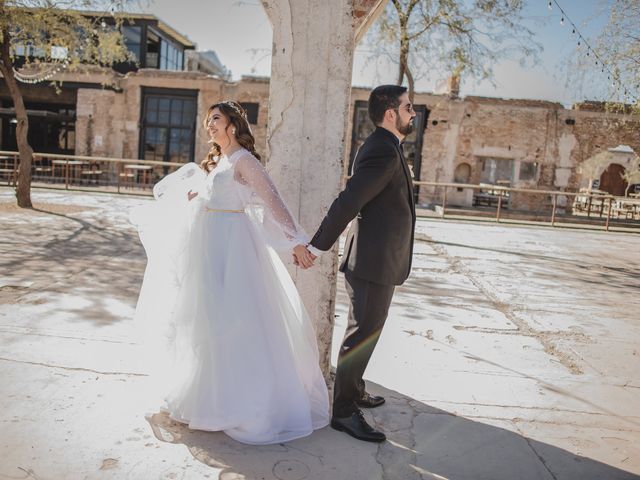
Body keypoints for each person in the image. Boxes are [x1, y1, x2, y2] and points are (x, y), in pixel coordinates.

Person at [131, 101, 329, 445]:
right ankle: (210, 400)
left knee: (236, 321)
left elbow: (273, 201)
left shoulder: (244, 160)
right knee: (207, 321)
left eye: (216, 119)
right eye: (208, 120)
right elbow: (217, 195)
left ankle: (243, 403)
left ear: (233, 125)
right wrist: (198, 195)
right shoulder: (220, 160)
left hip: (233, 247)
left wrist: (296, 241)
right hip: (209, 247)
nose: (210, 125)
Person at [294, 85, 417, 443]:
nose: (413, 113)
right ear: (391, 113)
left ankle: (355, 388)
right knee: (361, 332)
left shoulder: (387, 146)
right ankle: (344, 412)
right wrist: (316, 248)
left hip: (381, 260)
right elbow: (349, 201)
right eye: (408, 107)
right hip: (372, 262)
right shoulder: (381, 149)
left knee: (369, 330)